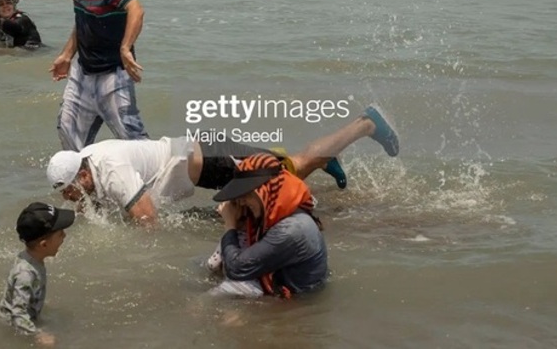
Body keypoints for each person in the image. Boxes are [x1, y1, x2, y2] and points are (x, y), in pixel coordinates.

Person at [46, 105, 400, 227]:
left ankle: (365, 125)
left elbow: (147, 219)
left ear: (81, 174)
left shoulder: (108, 169)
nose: (73, 198)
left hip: (213, 160)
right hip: (206, 156)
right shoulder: (87, 159)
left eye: (72, 190)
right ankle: (314, 160)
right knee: (286, 171)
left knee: (293, 169)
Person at [51, 0, 148, 151]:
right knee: (67, 131)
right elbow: (84, 20)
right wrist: (67, 54)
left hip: (113, 74)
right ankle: (86, 182)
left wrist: (125, 48)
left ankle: (153, 181)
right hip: (83, 72)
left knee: (133, 141)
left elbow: (136, 10)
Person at [209, 150, 327, 299]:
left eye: (246, 194)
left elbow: (237, 269)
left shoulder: (291, 230)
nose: (241, 201)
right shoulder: (278, 214)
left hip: (298, 303)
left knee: (204, 304)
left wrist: (230, 224)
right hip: (281, 289)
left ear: (263, 191)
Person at [0, 202, 75, 345]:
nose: (64, 235)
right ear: (44, 245)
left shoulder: (32, 258)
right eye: (60, 234)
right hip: (16, 325)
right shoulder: (26, 274)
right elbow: (18, 315)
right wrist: (37, 336)